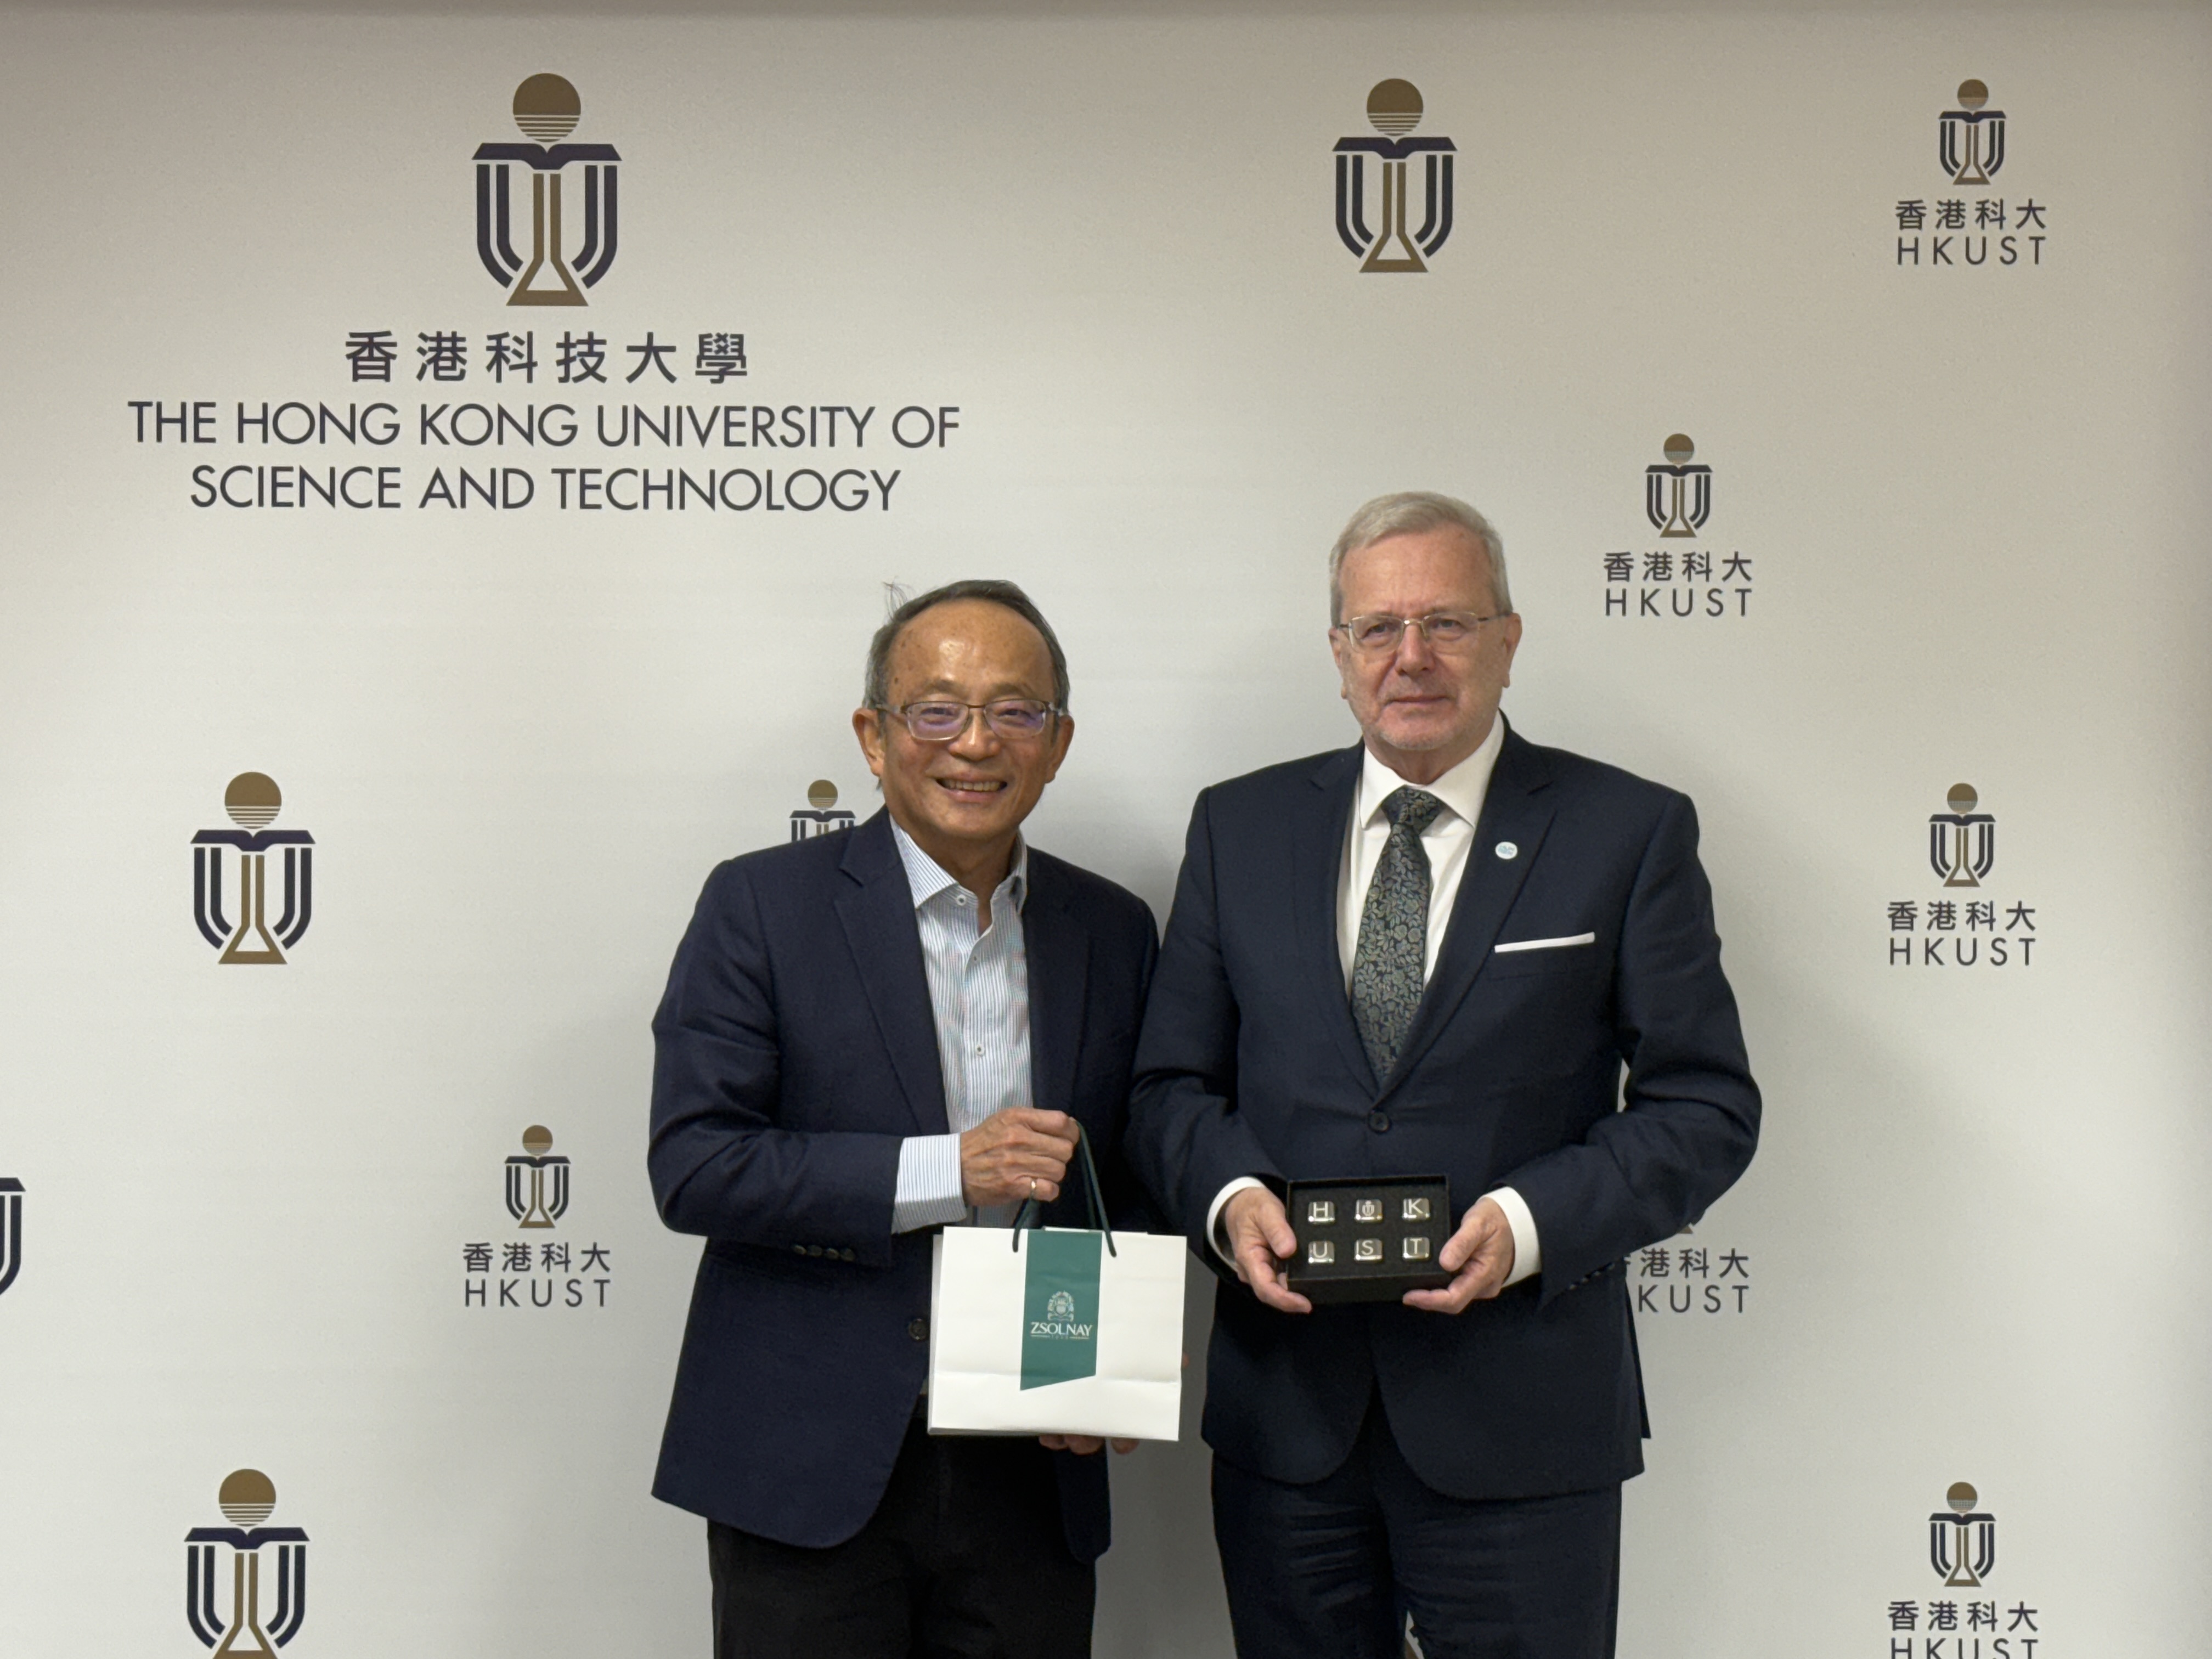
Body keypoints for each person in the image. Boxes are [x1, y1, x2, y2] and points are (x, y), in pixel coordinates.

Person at [1126, 493, 1760, 1659]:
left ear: (1510, 639)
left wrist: (1526, 1226)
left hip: (1522, 1419)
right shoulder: (1239, 828)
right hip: (1289, 1425)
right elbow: (1168, 1088)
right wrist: (1229, 1201)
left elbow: (1704, 1107)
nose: (1410, 658)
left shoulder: (1626, 831)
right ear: (1338, 653)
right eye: (1378, 629)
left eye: (1448, 624)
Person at [648, 579, 1157, 1659]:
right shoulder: (762, 906)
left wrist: (1081, 1364)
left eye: (1015, 711)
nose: (975, 742)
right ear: (873, 738)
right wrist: (948, 1171)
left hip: (1031, 1462)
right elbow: (696, 1164)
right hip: (808, 1465)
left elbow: (1116, 1176)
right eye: (936, 710)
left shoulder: (1111, 930)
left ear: (1058, 742)